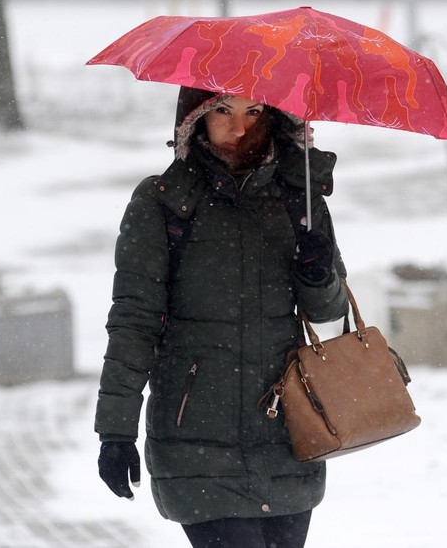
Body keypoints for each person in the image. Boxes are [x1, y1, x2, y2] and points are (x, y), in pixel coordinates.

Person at [95, 86, 349, 548]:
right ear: (194, 120)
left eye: (254, 112)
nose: (239, 128)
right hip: (195, 438)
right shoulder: (162, 202)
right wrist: (115, 430)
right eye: (222, 111)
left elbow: (329, 311)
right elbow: (134, 321)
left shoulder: (300, 196)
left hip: (287, 436)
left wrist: (318, 272)